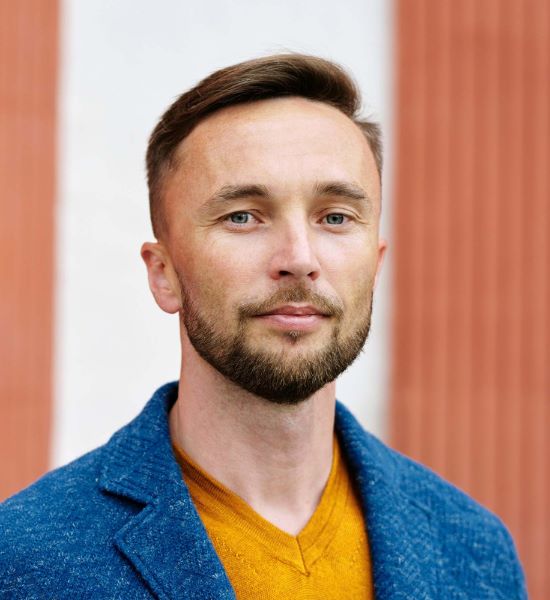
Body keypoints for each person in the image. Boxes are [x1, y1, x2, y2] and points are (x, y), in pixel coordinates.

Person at [0, 54, 526, 599]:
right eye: (243, 216)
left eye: (336, 217)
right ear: (164, 275)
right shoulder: (23, 560)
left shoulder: (475, 553)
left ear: (376, 263)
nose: (299, 258)